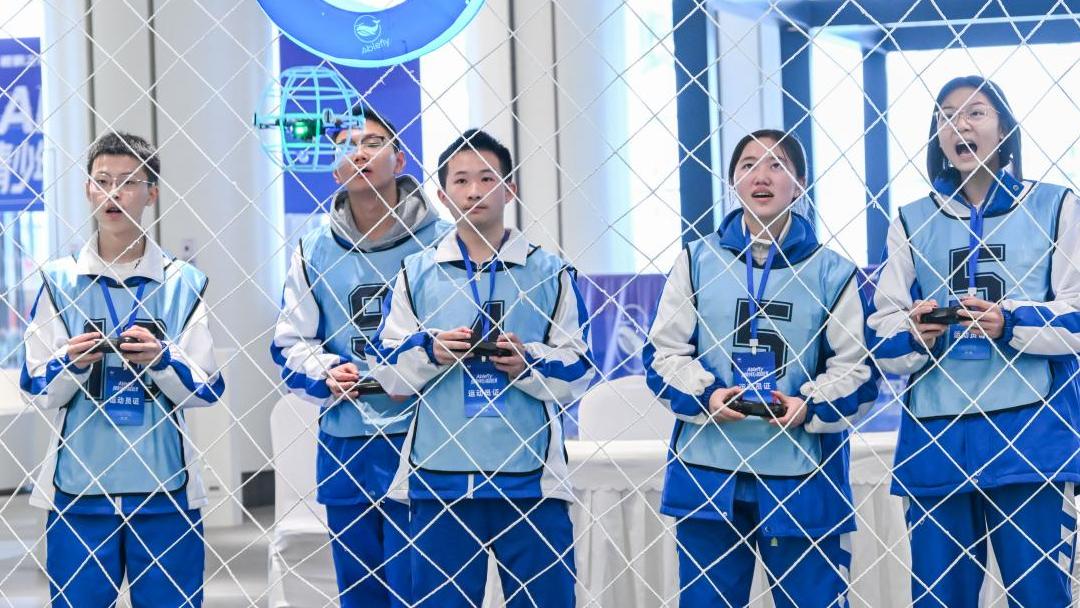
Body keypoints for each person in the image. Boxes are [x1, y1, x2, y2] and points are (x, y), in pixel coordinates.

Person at [867, 76, 1080, 607]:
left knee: (1039, 597)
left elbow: (1077, 314)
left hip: (1031, 436)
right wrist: (916, 332)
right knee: (939, 598)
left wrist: (1009, 322)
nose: (958, 123)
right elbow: (882, 332)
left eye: (975, 112)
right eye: (946, 115)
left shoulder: (1056, 205)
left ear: (1004, 129)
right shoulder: (910, 220)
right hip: (936, 437)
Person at [645, 129, 876, 607]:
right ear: (733, 180)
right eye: (748, 164)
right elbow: (661, 353)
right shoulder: (697, 261)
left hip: (804, 474)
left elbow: (858, 368)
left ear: (800, 183)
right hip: (709, 471)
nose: (761, 176)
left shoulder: (833, 272)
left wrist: (808, 405)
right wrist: (706, 395)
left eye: (777, 165)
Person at [369, 128, 594, 607]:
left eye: (488, 178)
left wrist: (528, 362)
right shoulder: (415, 272)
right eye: (461, 180)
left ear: (510, 189)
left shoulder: (551, 272)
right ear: (442, 194)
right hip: (439, 480)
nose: (475, 191)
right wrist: (431, 352)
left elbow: (579, 367)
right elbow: (385, 370)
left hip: (532, 482)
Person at [21, 131, 222, 607]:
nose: (114, 192)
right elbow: (36, 385)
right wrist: (71, 364)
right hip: (80, 492)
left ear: (152, 193)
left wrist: (162, 360)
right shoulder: (58, 280)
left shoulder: (183, 283)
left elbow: (208, 388)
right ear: (87, 189)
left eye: (129, 182)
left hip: (165, 490)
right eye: (103, 180)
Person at [271, 104, 448, 608]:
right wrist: (325, 370)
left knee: (425, 589)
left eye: (373, 142)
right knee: (360, 593)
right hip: (347, 440)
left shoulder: (442, 243)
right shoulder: (313, 247)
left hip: (425, 436)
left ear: (400, 159)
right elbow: (290, 340)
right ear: (334, 170)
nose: (360, 153)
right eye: (347, 146)